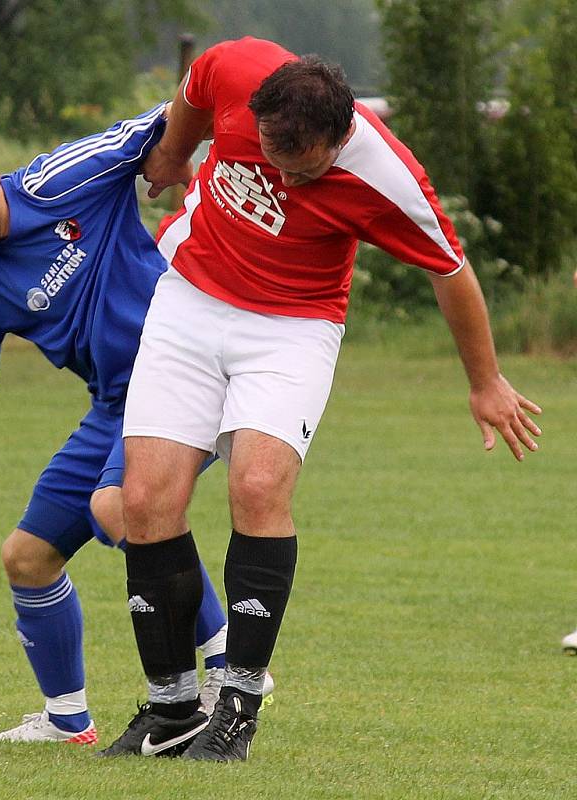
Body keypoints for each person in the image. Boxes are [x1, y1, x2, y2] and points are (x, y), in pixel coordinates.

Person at [99, 37, 542, 761]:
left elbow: (451, 271)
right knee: (144, 501)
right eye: (273, 158)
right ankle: (172, 707)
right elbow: (196, 83)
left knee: (259, 483)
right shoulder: (242, 72)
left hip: (294, 327)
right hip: (190, 300)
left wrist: (485, 380)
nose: (286, 178)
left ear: (342, 137)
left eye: (304, 169)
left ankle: (237, 707)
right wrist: (178, 154)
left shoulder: (387, 177)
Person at [0, 106, 237, 744]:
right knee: (28, 557)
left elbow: (169, 112)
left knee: (118, 508)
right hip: (116, 404)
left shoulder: (62, 182)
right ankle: (66, 720)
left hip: (185, 374)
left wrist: (183, 152)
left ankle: (227, 667)